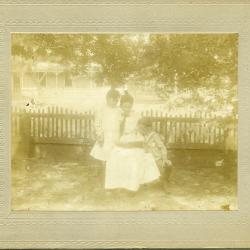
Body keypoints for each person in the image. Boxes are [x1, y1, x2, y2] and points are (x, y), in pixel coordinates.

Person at [105, 91, 160, 192]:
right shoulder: (116, 115)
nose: (127, 109)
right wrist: (115, 141)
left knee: (133, 158)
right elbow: (113, 131)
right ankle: (115, 185)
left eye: (129, 106)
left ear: (132, 106)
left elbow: (143, 130)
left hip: (135, 139)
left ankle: (131, 187)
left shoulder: (136, 116)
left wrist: (139, 133)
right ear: (121, 106)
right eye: (125, 106)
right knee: (114, 157)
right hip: (121, 140)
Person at [138, 117, 173, 191]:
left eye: (142, 128)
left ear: (148, 128)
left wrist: (164, 158)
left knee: (162, 166)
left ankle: (165, 182)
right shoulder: (141, 136)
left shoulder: (154, 136)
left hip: (156, 157)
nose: (141, 130)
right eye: (140, 128)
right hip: (146, 157)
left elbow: (162, 147)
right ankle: (143, 181)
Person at [90, 87, 121, 163]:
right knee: (104, 154)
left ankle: (112, 171)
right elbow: (97, 123)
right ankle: (104, 171)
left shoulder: (119, 110)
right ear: (107, 99)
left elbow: (121, 122)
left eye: (117, 100)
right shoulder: (102, 109)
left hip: (116, 135)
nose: (115, 102)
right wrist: (100, 134)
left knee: (114, 154)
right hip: (105, 135)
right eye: (113, 100)